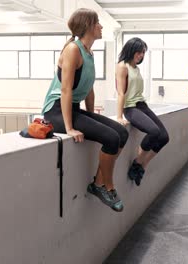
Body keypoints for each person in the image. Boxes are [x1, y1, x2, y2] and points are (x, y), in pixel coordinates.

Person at [41, 8, 128, 212]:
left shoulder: (89, 53)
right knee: (111, 139)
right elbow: (65, 89)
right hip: (56, 111)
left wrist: (92, 116)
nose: (101, 26)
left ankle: (97, 183)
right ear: (88, 26)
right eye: (97, 22)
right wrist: (69, 128)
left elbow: (89, 90)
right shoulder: (73, 49)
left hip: (74, 108)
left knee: (121, 133)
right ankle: (108, 186)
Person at [115, 37, 169, 186]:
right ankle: (137, 163)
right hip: (131, 107)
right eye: (139, 52)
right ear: (131, 50)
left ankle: (141, 166)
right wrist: (119, 116)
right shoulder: (122, 66)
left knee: (164, 137)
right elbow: (121, 92)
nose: (141, 56)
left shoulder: (136, 68)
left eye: (143, 53)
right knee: (154, 132)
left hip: (142, 105)